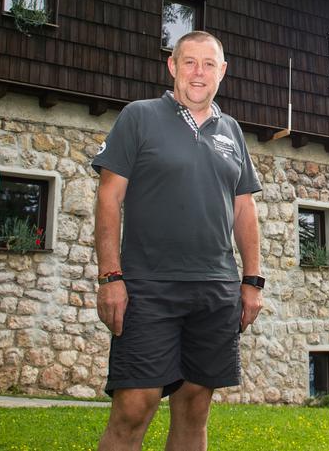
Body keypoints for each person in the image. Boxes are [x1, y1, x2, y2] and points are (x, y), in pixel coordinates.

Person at [91, 31, 264, 451]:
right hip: (149, 287)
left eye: (209, 64)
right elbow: (109, 198)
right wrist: (110, 276)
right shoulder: (139, 116)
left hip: (214, 290)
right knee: (134, 406)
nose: (198, 72)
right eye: (189, 62)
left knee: (194, 408)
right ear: (172, 66)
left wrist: (253, 281)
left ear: (223, 72)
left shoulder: (232, 131)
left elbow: (244, 210)